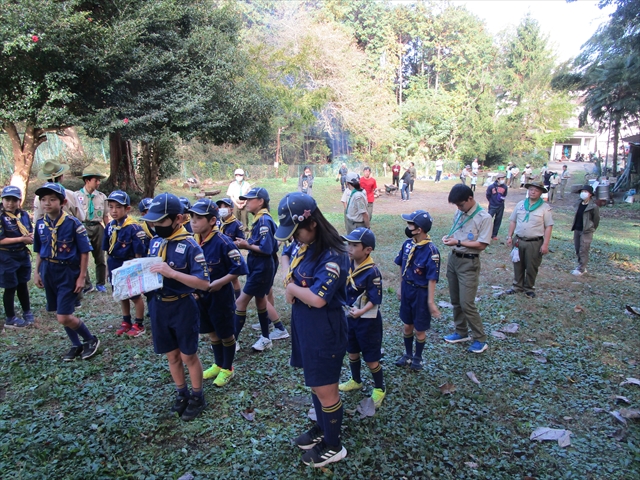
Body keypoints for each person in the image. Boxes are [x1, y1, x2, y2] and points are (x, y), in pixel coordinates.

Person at [275, 192, 349, 467]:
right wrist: (288, 279)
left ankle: (333, 444)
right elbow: (285, 254)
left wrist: (292, 288)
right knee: (315, 383)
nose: (294, 238)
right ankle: (323, 426)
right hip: (304, 324)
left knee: (325, 387)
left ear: (313, 223)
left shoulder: (333, 255)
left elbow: (318, 299)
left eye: (297, 232)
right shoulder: (302, 244)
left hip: (324, 328)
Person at [142, 193, 210, 421]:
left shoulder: (191, 246)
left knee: (188, 355)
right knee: (171, 355)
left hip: (182, 307)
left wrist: (172, 273)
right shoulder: (155, 241)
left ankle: (197, 396)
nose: (155, 226)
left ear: (178, 219)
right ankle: (181, 393)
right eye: (153, 221)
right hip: (159, 307)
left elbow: (203, 283)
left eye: (161, 222)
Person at [32, 182, 100, 361]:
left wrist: (82, 277)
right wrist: (37, 272)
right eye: (43, 200)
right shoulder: (40, 224)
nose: (47, 203)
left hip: (67, 272)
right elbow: (39, 250)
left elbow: (85, 251)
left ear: (62, 202)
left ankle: (90, 339)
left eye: (52, 199)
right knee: (60, 312)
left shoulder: (73, 223)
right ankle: (76, 344)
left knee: (63, 316)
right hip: (48, 270)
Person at [189, 199, 248, 387]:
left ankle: (228, 368)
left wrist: (219, 283)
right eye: (192, 217)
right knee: (212, 333)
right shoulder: (193, 242)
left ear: (212, 221)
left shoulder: (223, 242)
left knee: (225, 333)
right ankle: (218, 363)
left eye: (199, 218)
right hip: (201, 297)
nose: (193, 222)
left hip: (220, 297)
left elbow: (238, 267)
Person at [441, 184, 492, 354]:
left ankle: (480, 338)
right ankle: (461, 331)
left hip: (469, 262)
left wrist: (459, 242)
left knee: (467, 303)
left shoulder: (484, 217)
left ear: (470, 199)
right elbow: (458, 233)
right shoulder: (460, 212)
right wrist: (450, 238)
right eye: (456, 205)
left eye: (461, 204)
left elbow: (482, 244)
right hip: (454, 259)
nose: (459, 208)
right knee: (455, 300)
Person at [338, 227, 386, 407]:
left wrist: (360, 311)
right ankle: (356, 380)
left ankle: (380, 388)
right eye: (349, 244)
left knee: (371, 357)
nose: (349, 248)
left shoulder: (372, 272)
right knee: (352, 350)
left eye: (354, 245)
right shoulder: (350, 264)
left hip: (368, 321)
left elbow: (375, 299)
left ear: (368, 250)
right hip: (351, 318)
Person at [233, 187, 284, 352]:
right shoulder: (262, 219)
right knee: (261, 299)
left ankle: (232, 341)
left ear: (260, 201)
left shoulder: (263, 221)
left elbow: (267, 249)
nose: (246, 202)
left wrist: (245, 245)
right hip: (259, 266)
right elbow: (275, 243)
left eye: (250, 199)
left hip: (262, 267)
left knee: (240, 302)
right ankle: (265, 338)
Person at [394, 210, 441, 369]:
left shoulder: (431, 251)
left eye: (410, 223)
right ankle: (407, 354)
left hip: (421, 293)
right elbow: (402, 264)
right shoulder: (408, 244)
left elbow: (432, 278)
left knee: (419, 329)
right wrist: (401, 287)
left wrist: (431, 302)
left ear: (419, 229)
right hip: (407, 290)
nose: (407, 226)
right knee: (407, 325)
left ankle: (418, 357)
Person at [103, 191, 147, 337]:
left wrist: (135, 271)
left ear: (127, 209)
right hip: (114, 264)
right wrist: (107, 269)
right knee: (121, 293)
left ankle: (139, 323)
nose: (114, 211)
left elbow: (139, 253)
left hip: (129, 265)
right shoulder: (110, 227)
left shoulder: (134, 228)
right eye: (111, 207)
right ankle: (126, 321)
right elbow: (107, 250)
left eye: (118, 207)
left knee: (134, 295)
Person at [504, 181, 554, 298]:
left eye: (536, 190)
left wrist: (545, 244)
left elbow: (548, 227)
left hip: (534, 242)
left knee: (532, 266)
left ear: (541, 193)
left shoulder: (544, 208)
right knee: (517, 263)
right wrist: (509, 236)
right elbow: (513, 221)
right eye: (531, 189)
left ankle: (529, 288)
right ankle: (517, 286)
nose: (533, 192)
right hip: (519, 240)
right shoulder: (521, 204)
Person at [0, 186, 34, 328]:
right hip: (6, 256)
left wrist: (31, 237)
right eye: (7, 199)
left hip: (22, 254)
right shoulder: (1, 217)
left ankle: (27, 311)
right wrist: (21, 239)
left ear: (19, 200)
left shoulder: (24, 215)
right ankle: (10, 317)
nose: (10, 203)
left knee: (22, 283)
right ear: (2, 200)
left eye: (14, 200)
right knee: (10, 286)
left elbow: (29, 231)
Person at [75, 166, 109, 293]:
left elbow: (105, 215)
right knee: (82, 256)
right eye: (96, 180)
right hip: (82, 226)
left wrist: (108, 231)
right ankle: (87, 285)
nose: (99, 182)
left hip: (97, 227)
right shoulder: (76, 196)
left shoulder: (102, 196)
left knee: (100, 256)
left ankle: (101, 283)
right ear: (87, 180)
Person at [216, 197, 245, 298]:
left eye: (225, 207)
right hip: (219, 255)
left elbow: (241, 241)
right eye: (220, 207)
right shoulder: (217, 222)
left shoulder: (237, 224)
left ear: (232, 209)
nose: (221, 209)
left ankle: (238, 299)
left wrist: (230, 244)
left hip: (231, 255)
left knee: (234, 278)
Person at [571, 185, 599, 276]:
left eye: (585, 191)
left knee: (584, 249)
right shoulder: (579, 203)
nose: (583, 193)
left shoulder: (593, 206)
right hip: (577, 228)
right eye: (582, 191)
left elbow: (596, 219)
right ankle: (581, 265)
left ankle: (582, 268)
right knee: (577, 248)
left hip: (586, 230)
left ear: (590, 194)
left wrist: (591, 228)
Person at [486, 172, 508, 241]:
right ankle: (486, 234)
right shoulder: (491, 187)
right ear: (498, 179)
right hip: (492, 206)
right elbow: (488, 195)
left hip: (500, 206)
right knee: (488, 220)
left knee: (498, 220)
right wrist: (492, 201)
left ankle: (494, 235)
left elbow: (505, 195)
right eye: (501, 178)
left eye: (503, 178)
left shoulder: (505, 187)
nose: (503, 180)